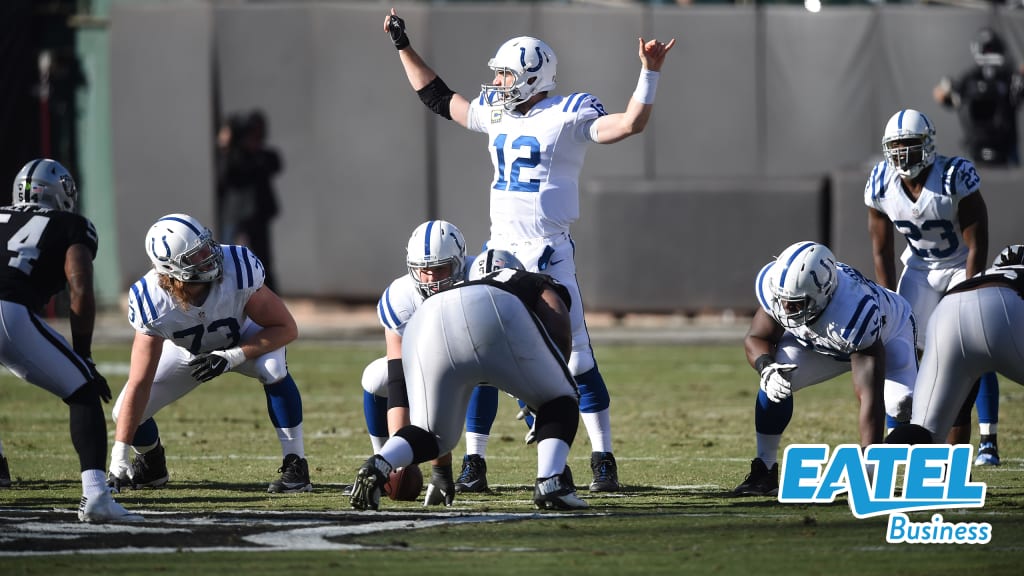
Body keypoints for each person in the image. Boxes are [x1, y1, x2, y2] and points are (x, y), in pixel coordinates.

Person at [383, 8, 675, 492]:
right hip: (498, 254)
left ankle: (602, 457)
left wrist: (650, 73)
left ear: (533, 77)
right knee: (476, 355)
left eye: (506, 73)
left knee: (579, 359)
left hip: (549, 252)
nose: (496, 82)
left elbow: (629, 125)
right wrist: (402, 46)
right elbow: (439, 98)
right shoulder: (498, 112)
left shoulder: (569, 112)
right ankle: (475, 463)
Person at [350, 265, 586, 511]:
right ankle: (550, 482)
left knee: (431, 434)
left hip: (428, 320)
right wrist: (546, 393)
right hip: (492, 310)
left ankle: (380, 463)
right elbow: (558, 326)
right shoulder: (540, 284)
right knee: (561, 397)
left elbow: (398, 382)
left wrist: (440, 471)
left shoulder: (468, 282)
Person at [107, 213, 311, 494]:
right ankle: (152, 465)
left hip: (244, 338)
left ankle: (296, 464)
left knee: (272, 369)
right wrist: (118, 456)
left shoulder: (236, 267)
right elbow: (139, 382)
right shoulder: (151, 301)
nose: (209, 256)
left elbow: (286, 328)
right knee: (124, 414)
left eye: (205, 246)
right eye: (196, 255)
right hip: (189, 352)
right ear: (171, 269)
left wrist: (232, 357)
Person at [0, 159, 140, 522]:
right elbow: (80, 287)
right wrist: (84, 356)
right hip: (8, 309)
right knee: (83, 389)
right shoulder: (69, 224)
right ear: (60, 193)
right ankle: (96, 496)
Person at [864, 108, 1000, 466]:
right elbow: (882, 249)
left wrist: (969, 291)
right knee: (902, 349)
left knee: (972, 346)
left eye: (910, 145)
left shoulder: (954, 175)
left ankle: (988, 437)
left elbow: (977, 242)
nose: (903, 154)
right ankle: (902, 436)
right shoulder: (881, 183)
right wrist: (889, 299)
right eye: (896, 147)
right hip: (921, 269)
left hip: (959, 265)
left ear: (927, 144)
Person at [733, 241, 917, 497]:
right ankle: (764, 469)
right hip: (822, 339)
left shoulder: (854, 314)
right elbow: (756, 337)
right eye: (783, 301)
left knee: (901, 403)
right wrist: (766, 368)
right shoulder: (778, 285)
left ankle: (910, 471)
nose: (786, 310)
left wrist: (868, 464)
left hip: (888, 334)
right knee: (778, 375)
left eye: (795, 304)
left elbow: (869, 396)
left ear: (823, 295)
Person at [362, 244, 525, 497]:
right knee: (375, 378)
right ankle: (380, 466)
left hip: (488, 357)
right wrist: (397, 458)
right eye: (424, 270)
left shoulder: (480, 277)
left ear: (459, 263)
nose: (432, 279)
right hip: (434, 361)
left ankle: (550, 470)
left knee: (539, 390)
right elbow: (398, 380)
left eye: (440, 269)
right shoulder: (401, 297)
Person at [888, 244, 1024, 447]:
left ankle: (869, 468)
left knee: (925, 431)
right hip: (1003, 307)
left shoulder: (989, 273)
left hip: (948, 310)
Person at [933, 27, 1024, 166]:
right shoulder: (970, 78)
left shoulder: (1008, 77)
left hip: (1004, 148)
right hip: (977, 148)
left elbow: (939, 94)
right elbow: (940, 94)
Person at [216, 109, 282, 291]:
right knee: (225, 256)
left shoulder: (262, 156)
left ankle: (270, 296)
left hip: (257, 214)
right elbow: (228, 175)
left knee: (263, 260)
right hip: (234, 212)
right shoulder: (233, 156)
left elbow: (275, 163)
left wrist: (255, 151)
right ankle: (223, 293)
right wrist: (226, 146)